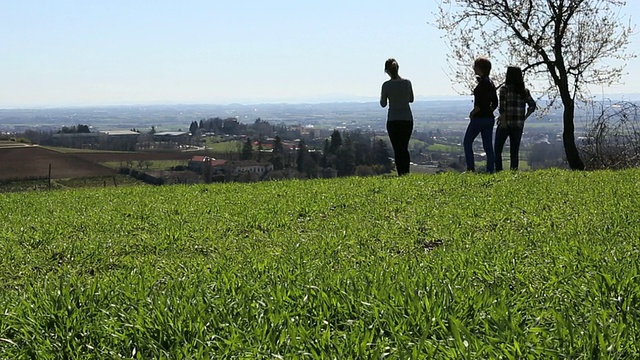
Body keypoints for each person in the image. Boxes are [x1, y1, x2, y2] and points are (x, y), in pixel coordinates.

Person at [495, 66, 537, 171]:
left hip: (506, 123)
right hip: (518, 125)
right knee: (514, 150)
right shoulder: (524, 91)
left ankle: (499, 171)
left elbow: (502, 108)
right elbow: (532, 106)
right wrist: (523, 118)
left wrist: (503, 121)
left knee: (497, 149)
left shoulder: (504, 89)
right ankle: (513, 172)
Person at [463, 57, 498, 173]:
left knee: (467, 142)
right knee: (488, 146)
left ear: (480, 68)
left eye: (475, 66)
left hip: (479, 119)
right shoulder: (491, 83)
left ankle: (470, 169)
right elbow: (495, 103)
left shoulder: (482, 85)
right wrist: (489, 111)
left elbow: (479, 104)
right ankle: (490, 170)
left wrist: (473, 113)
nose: (473, 68)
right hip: (489, 118)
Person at [380, 58, 414, 176]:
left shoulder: (386, 85)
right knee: (404, 147)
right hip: (407, 119)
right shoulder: (407, 83)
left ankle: (401, 173)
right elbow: (411, 99)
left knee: (397, 148)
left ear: (386, 71)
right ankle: (406, 172)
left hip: (393, 119)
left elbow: (383, 104)